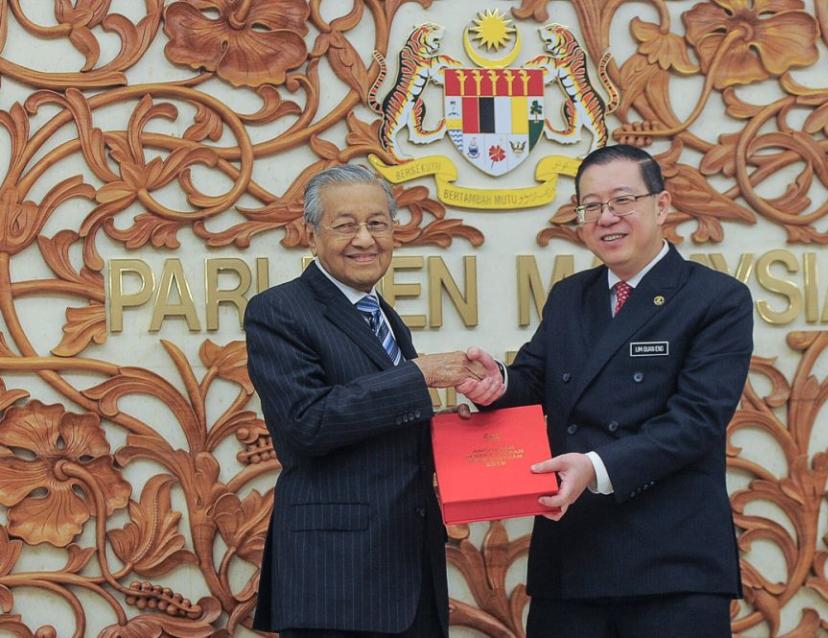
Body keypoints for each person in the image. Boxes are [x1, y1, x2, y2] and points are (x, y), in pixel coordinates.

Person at [459, 144, 754, 637]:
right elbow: (534, 379)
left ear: (661, 206)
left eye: (622, 201)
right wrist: (497, 383)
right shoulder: (571, 295)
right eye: (591, 206)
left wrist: (595, 468)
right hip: (572, 555)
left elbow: (696, 421)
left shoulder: (716, 299)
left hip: (671, 566)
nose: (606, 217)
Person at [245, 164, 502, 637]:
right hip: (338, 580)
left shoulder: (381, 315)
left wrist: (456, 421)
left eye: (377, 224)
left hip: (408, 567)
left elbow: (382, 419)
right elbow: (307, 424)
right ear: (311, 234)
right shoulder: (278, 310)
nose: (364, 239)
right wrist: (419, 375)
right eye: (345, 225)